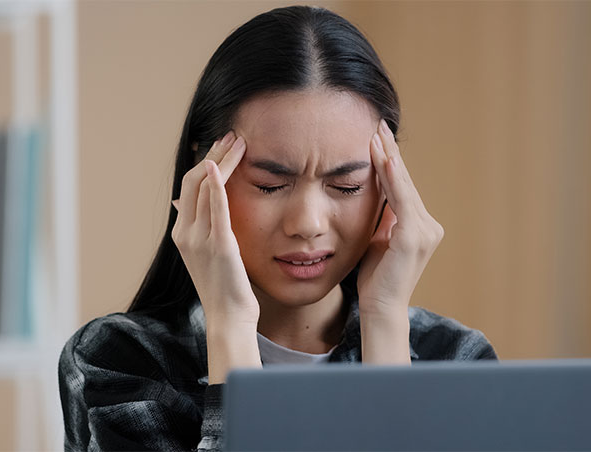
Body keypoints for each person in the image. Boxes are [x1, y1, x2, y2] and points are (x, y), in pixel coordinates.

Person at [58, 5, 497, 451]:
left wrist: (384, 322)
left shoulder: (456, 360)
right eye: (270, 185)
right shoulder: (121, 361)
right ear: (204, 171)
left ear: (388, 183)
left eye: (346, 186)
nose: (307, 223)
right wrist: (230, 326)